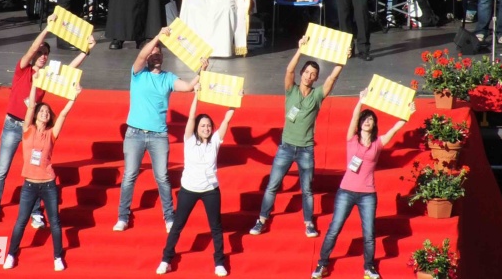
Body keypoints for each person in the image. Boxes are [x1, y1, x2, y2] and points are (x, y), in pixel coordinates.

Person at [0, 14, 95, 227]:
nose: (43, 56)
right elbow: (32, 48)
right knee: (1, 170)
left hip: (32, 130)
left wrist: (87, 50)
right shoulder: (23, 69)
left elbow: (69, 71)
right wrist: (48, 29)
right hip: (12, 125)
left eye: (46, 54)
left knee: (35, 170)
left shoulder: (45, 77)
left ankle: (35, 213)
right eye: (41, 53)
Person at [249, 35, 348, 238]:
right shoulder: (291, 90)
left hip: (306, 150)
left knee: (307, 189)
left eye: (313, 74)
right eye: (307, 72)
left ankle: (309, 223)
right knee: (272, 185)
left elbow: (331, 79)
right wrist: (300, 49)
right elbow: (289, 71)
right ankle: (261, 220)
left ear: (316, 79)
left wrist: (342, 61)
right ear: (302, 73)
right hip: (285, 147)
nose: (309, 76)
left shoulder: (317, 96)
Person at [311, 90, 414, 279]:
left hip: (368, 194)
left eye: (370, 119)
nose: (367, 121)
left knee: (369, 233)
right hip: (346, 191)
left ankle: (369, 267)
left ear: (374, 124)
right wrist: (361, 101)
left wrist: (407, 113)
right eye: (364, 119)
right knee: (335, 228)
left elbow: (394, 130)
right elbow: (353, 118)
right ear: (360, 123)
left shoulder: (378, 143)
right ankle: (322, 264)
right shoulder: (352, 139)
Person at [112, 27, 207, 232]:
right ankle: (122, 216)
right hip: (135, 133)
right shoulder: (138, 73)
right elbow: (141, 55)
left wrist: (202, 70)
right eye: (152, 52)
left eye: (159, 52)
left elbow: (188, 87)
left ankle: (169, 217)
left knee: (162, 177)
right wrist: (158, 37)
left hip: (159, 136)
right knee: (129, 175)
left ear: (163, 57)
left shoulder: (168, 78)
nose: (155, 55)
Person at [2, 74, 82, 272]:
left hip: (48, 184)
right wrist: (35, 85)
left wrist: (73, 98)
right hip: (29, 185)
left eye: (47, 112)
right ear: (36, 114)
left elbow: (62, 115)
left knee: (54, 221)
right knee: (21, 221)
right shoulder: (27, 130)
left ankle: (57, 257)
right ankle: (11, 254)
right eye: (42, 111)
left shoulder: (51, 134)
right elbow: (30, 107)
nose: (45, 113)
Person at [156, 86, 235, 277]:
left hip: (210, 190)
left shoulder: (215, 141)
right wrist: (196, 96)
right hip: (188, 190)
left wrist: (235, 102)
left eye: (208, 126)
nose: (206, 128)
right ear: (197, 129)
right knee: (177, 226)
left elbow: (227, 119)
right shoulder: (190, 140)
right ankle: (166, 260)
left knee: (216, 227)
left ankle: (219, 263)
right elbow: (191, 117)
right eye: (202, 126)